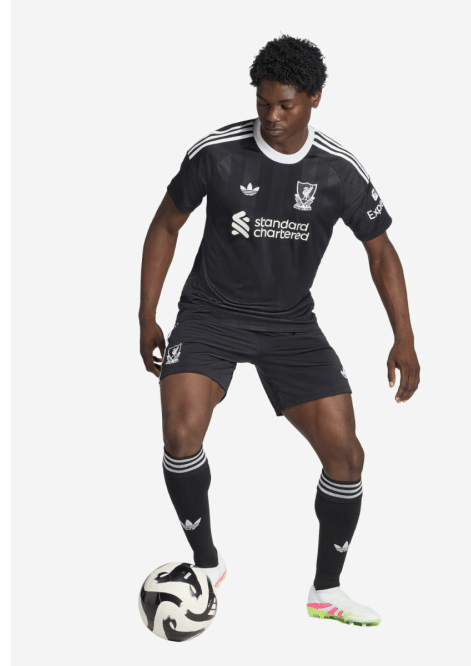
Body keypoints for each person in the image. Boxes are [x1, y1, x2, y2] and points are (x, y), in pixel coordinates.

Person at [139, 35, 420, 627]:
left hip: (290, 323)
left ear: (314, 98)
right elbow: (165, 225)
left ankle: (326, 591)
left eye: (285, 105)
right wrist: (147, 315)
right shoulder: (218, 153)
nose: (271, 116)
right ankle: (207, 565)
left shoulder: (338, 171)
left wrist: (405, 338)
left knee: (346, 456)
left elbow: (381, 252)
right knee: (180, 436)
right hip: (210, 314)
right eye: (263, 103)